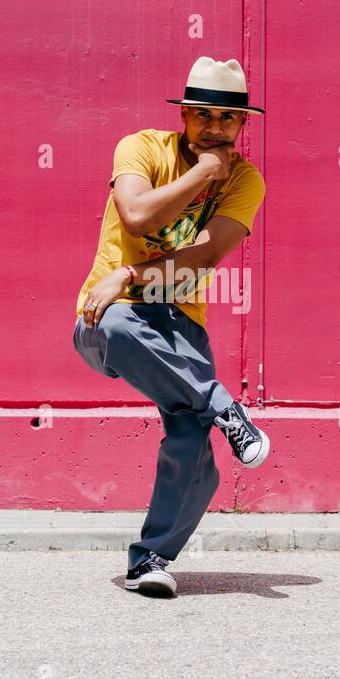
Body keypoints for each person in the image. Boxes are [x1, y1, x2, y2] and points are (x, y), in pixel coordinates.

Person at [72, 56, 270, 598]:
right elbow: (136, 216)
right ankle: (225, 407)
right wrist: (203, 171)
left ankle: (152, 559)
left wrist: (133, 273)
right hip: (105, 316)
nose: (214, 127)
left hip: (178, 321)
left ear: (242, 125)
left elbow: (203, 259)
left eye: (228, 119)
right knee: (117, 327)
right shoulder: (140, 148)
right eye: (202, 114)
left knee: (191, 443)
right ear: (183, 115)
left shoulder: (247, 182)